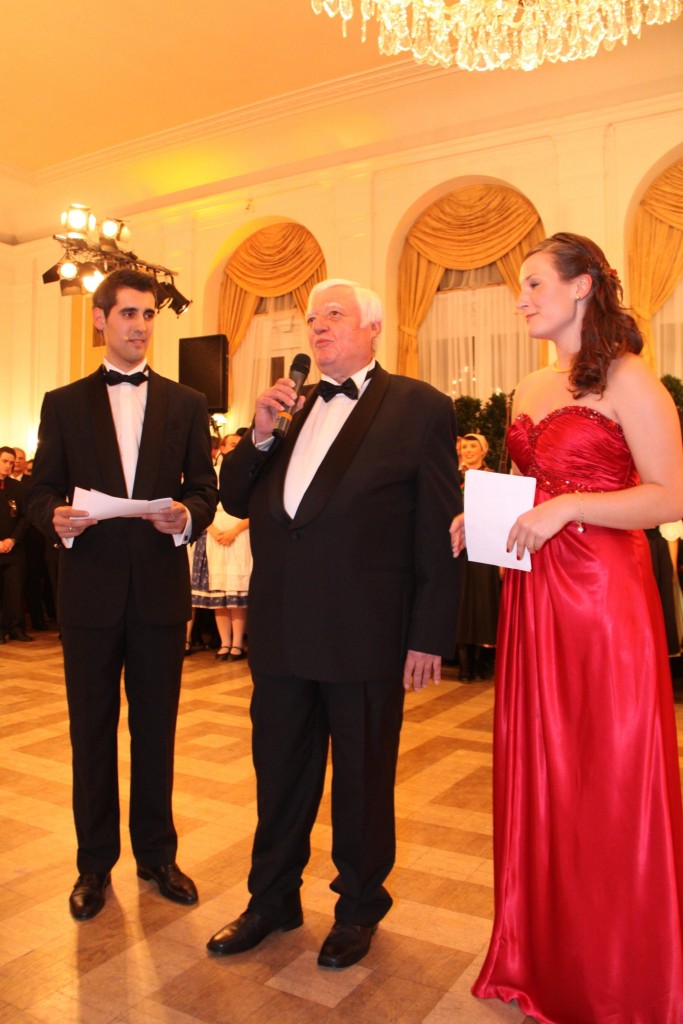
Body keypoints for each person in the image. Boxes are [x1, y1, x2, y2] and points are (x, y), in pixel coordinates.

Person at [450, 233, 683, 1023]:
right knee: (543, 770)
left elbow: (669, 495)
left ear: (582, 287)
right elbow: (533, 487)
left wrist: (572, 506)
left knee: (605, 777)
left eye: (533, 283)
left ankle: (620, 975)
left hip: (604, 600)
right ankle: (542, 958)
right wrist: (482, 516)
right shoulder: (529, 384)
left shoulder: (629, 377)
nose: (519, 299)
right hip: (534, 595)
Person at [208, 278, 462, 969]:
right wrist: (259, 434)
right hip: (282, 630)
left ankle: (357, 908)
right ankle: (271, 901)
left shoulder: (419, 407)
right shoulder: (286, 409)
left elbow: (439, 527)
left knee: (361, 781)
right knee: (278, 776)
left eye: (334, 316)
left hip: (366, 633)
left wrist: (428, 635)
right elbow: (234, 498)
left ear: (372, 327)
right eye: (312, 318)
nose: (317, 327)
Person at [26, 268, 217, 921]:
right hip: (89, 594)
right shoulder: (63, 403)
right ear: (101, 319)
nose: (140, 325)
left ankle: (158, 856)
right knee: (91, 732)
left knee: (156, 731)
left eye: (149, 314)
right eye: (129, 313)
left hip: (159, 594)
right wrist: (52, 515)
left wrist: (187, 516)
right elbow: (39, 488)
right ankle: (93, 864)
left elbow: (205, 490)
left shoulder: (187, 403)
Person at [186, 432, 252, 662]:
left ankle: (237, 644)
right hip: (214, 534)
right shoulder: (212, 473)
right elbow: (200, 503)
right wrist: (212, 529)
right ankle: (224, 643)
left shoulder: (250, 473)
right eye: (232, 444)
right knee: (219, 591)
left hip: (239, 533)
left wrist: (235, 530)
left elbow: (257, 509)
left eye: (240, 445)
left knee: (236, 591)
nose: (236, 448)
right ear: (222, 448)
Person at [455, 433, 501, 681]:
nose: (468, 450)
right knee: (460, 605)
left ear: (483, 450)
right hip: (458, 550)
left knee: (483, 605)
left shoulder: (493, 478)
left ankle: (481, 662)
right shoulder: (453, 477)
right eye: (465, 446)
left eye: (473, 446)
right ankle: (464, 665)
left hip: (484, 550)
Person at [0, 446, 32, 642]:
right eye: (4, 461)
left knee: (16, 590)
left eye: (11, 463)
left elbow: (25, 517)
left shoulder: (18, 488)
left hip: (14, 547)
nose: (8, 466)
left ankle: (16, 628)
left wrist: (12, 539)